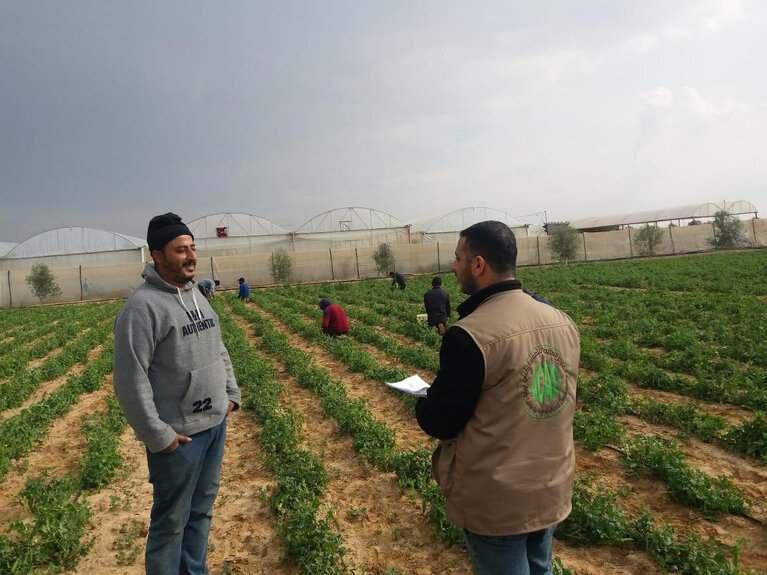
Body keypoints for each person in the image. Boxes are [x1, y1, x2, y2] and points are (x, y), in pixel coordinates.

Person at [415, 221, 580, 575]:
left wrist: (423, 399)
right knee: (541, 567)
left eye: (458, 258)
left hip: (500, 500)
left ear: (478, 265)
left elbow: (441, 420)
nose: (453, 267)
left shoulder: (470, 334)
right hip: (551, 483)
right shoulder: (561, 321)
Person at [113, 212, 241, 575]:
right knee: (170, 525)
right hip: (180, 438)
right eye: (180, 249)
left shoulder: (199, 295)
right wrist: (159, 436)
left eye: (192, 248)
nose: (191, 256)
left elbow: (218, 347)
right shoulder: (142, 309)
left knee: (201, 513)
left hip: (214, 426)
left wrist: (230, 392)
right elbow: (129, 379)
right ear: (157, 255)